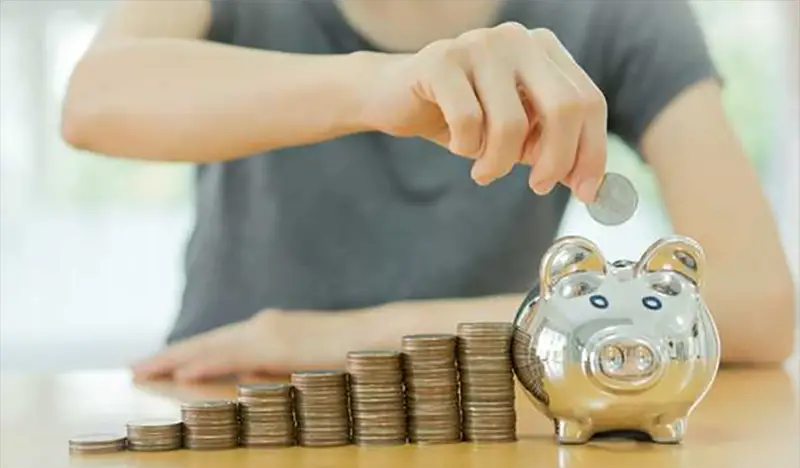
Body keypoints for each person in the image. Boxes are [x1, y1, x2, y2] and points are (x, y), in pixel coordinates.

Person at [61, 0, 796, 382]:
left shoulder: (621, 13)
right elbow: (93, 100)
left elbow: (758, 305)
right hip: (232, 397)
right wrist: (376, 82)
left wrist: (361, 337)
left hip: (478, 414)